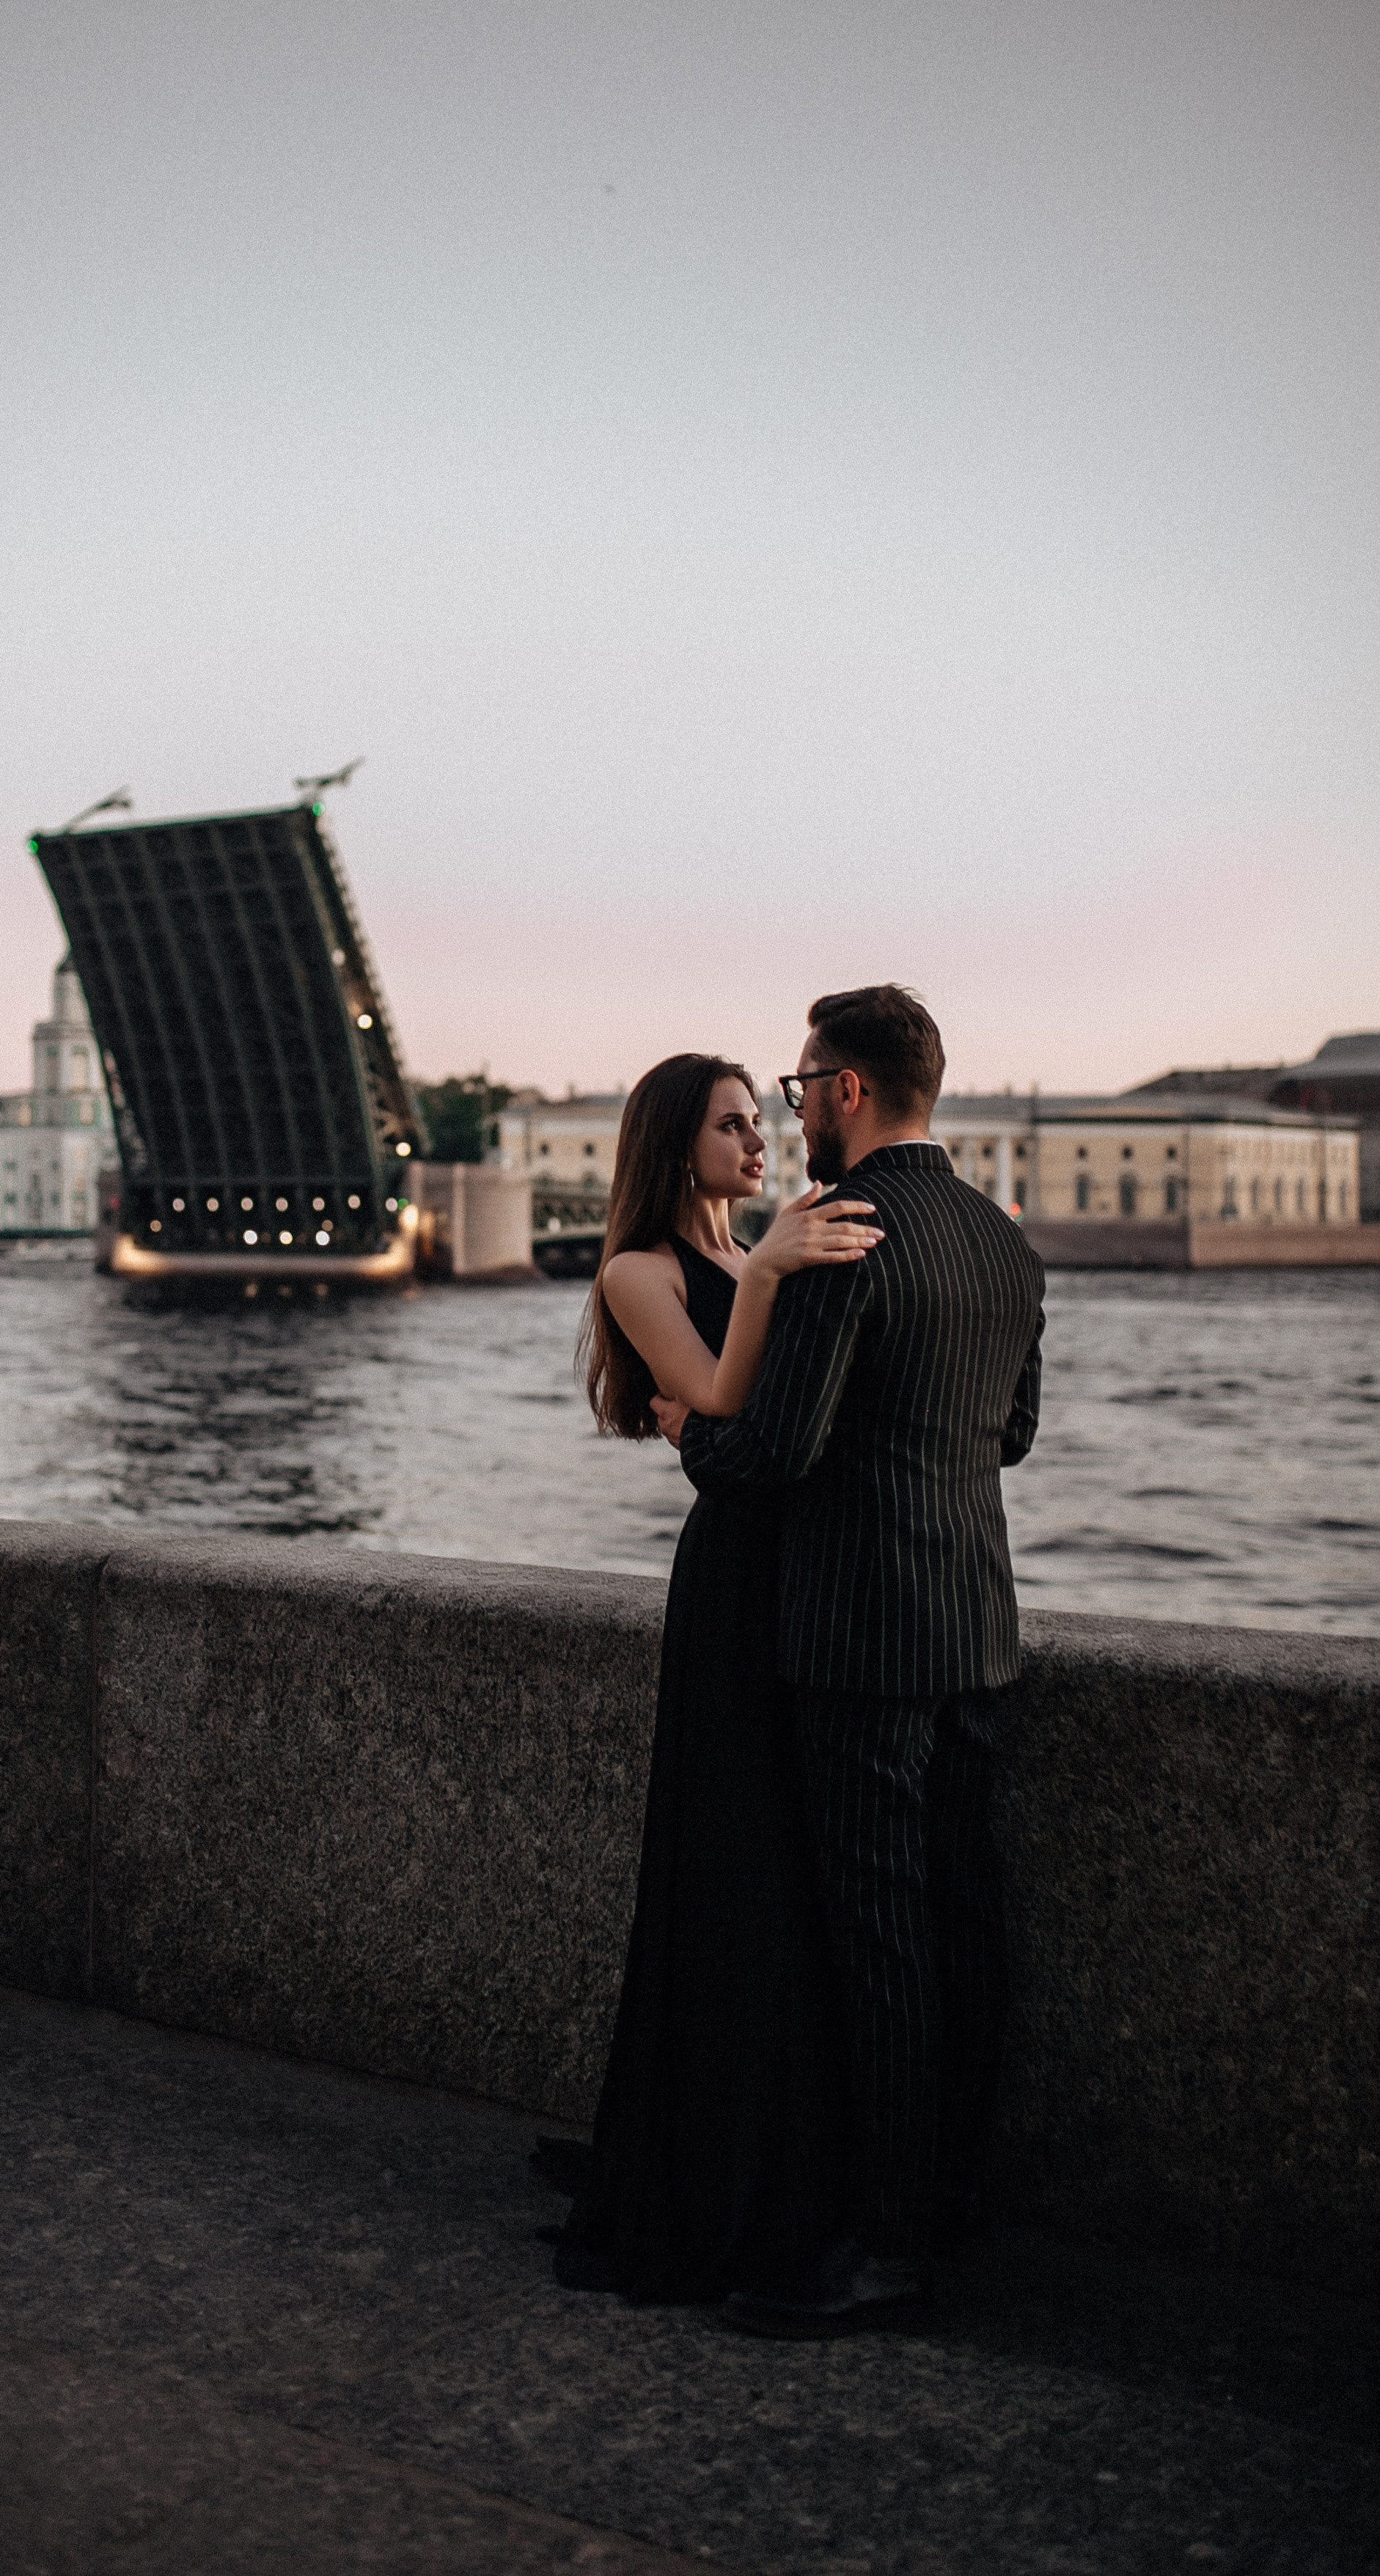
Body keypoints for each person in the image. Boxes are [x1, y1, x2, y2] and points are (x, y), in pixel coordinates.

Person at [655, 987, 1045, 2338]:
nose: (795, 1103)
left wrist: (683, 1429)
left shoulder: (844, 1242)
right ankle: (955, 2197)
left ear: (852, 1092)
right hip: (974, 1629)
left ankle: (882, 2245)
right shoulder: (1005, 1244)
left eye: (803, 1080)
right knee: (964, 1923)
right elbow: (1014, 1435)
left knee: (877, 1936)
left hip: (857, 1641)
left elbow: (773, 1451)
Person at [536, 1052, 883, 2302]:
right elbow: (723, 1395)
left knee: (792, 1871)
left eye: (759, 1119)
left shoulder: (749, 1258)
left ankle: (771, 2153)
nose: (758, 1140)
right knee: (731, 1867)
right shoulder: (642, 1271)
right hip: (733, 1591)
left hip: (805, 1578)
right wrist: (779, 1270)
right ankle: (700, 2169)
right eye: (732, 1124)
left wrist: (775, 1267)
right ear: (676, 1145)